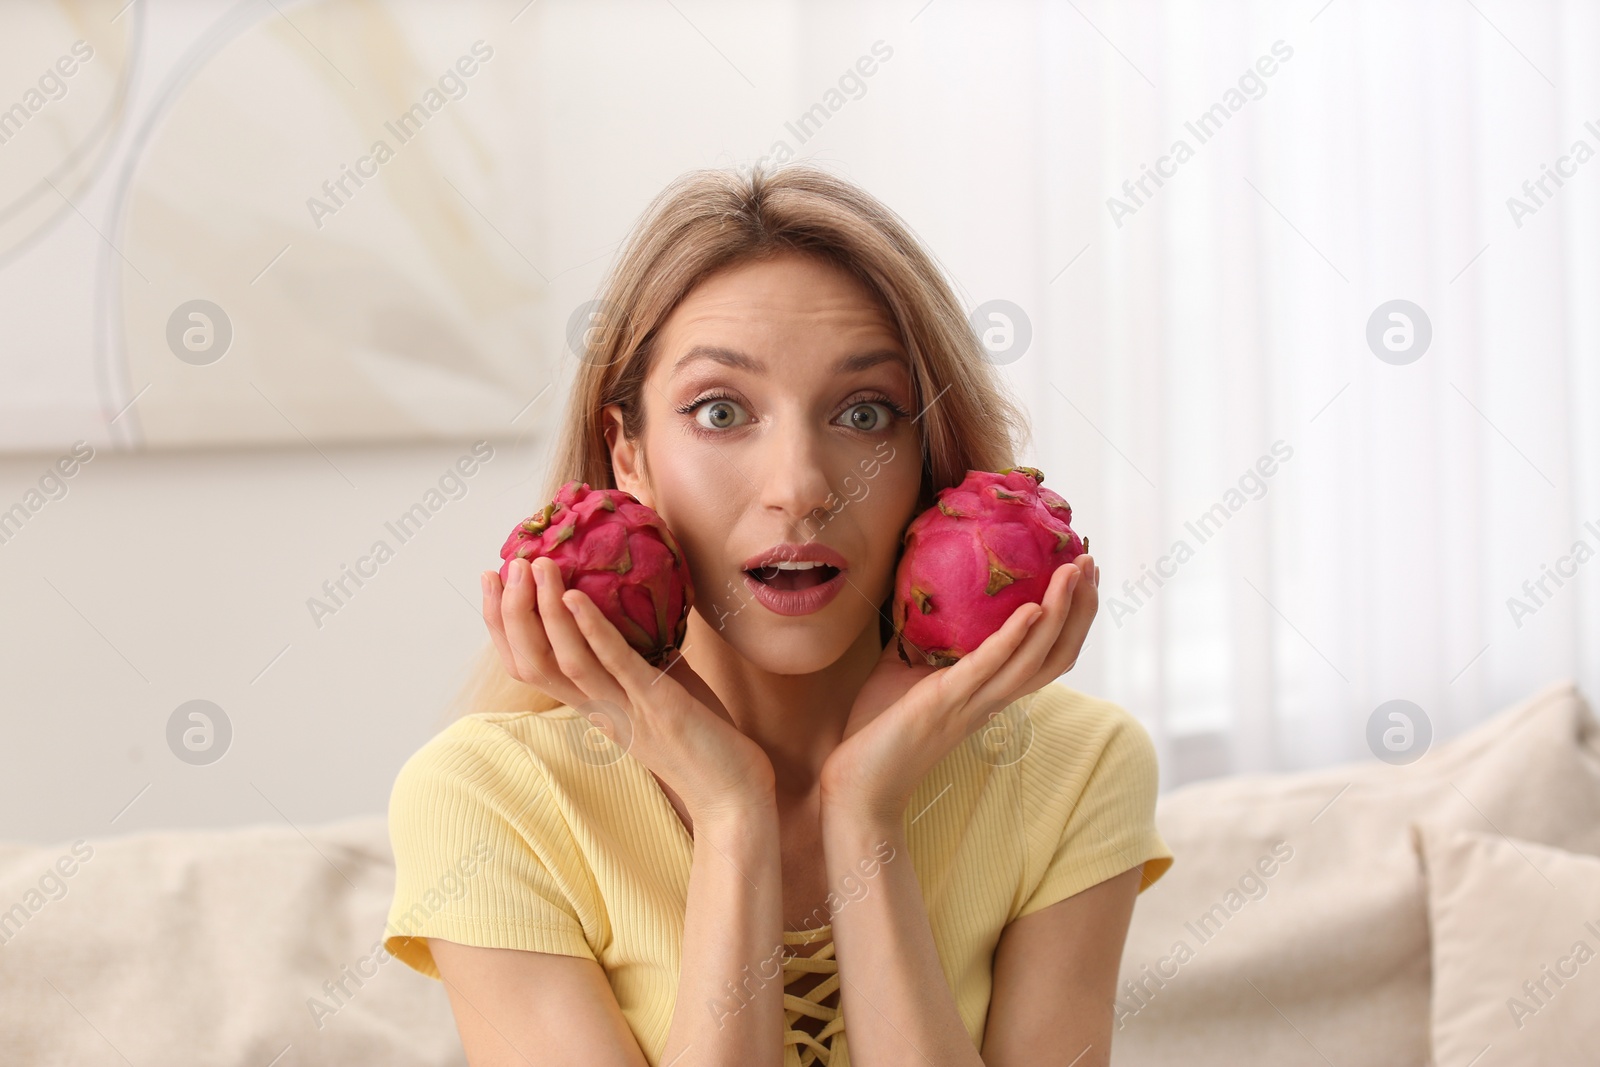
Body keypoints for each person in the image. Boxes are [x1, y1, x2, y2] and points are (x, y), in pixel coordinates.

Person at [383, 163, 1173, 1067]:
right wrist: (732, 820)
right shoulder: (491, 801)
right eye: (721, 411)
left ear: (930, 460)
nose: (799, 489)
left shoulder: (1075, 771)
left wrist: (864, 815)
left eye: (865, 412)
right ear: (627, 453)